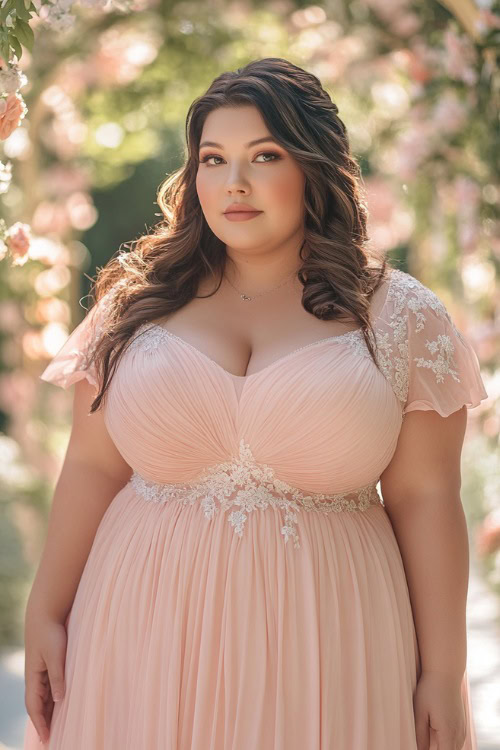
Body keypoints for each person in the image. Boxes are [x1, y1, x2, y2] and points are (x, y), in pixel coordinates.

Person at [23, 57, 487, 750]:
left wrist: (444, 672)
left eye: (263, 155)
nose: (233, 183)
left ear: (313, 167)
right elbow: (92, 467)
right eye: (213, 158)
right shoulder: (135, 306)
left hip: (331, 641)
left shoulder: (400, 317)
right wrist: (45, 612)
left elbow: (425, 496)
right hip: (138, 628)